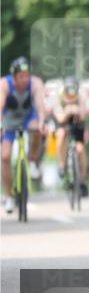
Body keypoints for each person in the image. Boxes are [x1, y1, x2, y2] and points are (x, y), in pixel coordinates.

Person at [1, 57, 48, 213]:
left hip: (29, 117)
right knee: (5, 157)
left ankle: (33, 159)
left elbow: (41, 106)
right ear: (14, 76)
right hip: (9, 120)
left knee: (36, 129)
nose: (24, 79)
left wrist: (42, 122)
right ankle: (8, 196)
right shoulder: (5, 84)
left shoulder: (35, 83)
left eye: (27, 75)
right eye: (21, 76)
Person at [54, 76, 89, 197]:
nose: (70, 96)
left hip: (77, 122)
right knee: (61, 134)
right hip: (63, 121)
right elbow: (59, 118)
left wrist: (77, 111)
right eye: (68, 92)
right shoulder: (58, 97)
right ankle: (62, 164)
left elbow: (83, 117)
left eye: (73, 92)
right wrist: (68, 111)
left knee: (80, 149)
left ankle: (82, 181)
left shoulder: (82, 96)